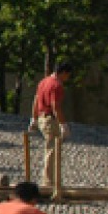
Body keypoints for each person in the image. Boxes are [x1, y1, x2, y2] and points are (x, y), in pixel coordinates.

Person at [31, 61, 73, 195]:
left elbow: (36, 101)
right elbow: (56, 106)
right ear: (63, 73)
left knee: (51, 149)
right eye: (68, 75)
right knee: (52, 150)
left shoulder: (43, 82)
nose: (68, 78)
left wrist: (34, 118)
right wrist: (63, 124)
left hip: (42, 117)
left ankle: (51, 180)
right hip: (50, 118)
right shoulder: (56, 85)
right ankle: (49, 183)